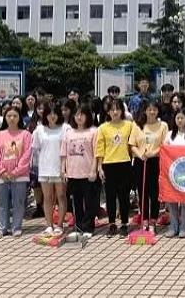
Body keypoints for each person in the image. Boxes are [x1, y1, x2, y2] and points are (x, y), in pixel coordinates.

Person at [96, 97, 136, 238]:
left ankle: (124, 224)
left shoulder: (129, 125)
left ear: (122, 111)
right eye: (112, 109)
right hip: (108, 165)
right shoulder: (103, 128)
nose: (115, 112)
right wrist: (99, 167)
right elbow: (100, 148)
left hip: (125, 163)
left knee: (124, 196)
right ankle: (112, 224)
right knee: (110, 196)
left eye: (117, 109)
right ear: (108, 111)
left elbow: (135, 141)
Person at [0, 108, 33, 238]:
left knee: (18, 202)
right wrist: (2, 171)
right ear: (5, 118)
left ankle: (17, 227)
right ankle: (2, 228)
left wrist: (15, 172)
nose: (12, 118)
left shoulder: (25, 134)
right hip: (1, 176)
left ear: (19, 117)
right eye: (9, 116)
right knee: (1, 202)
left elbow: (27, 155)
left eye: (15, 115)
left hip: (20, 175)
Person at [62, 101, 98, 239]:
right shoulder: (69, 132)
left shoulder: (93, 131)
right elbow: (64, 153)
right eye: (77, 114)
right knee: (76, 202)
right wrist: (63, 170)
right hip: (73, 173)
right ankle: (78, 226)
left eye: (82, 114)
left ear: (88, 116)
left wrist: (94, 170)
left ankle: (88, 227)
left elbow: (96, 153)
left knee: (90, 201)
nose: (79, 117)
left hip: (88, 172)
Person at [130, 99, 167, 234]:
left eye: (154, 109)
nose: (152, 112)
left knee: (154, 192)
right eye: (149, 109)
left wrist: (153, 153)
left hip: (155, 161)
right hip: (141, 161)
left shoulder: (162, 125)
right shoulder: (137, 125)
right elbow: (132, 145)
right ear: (144, 111)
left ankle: (153, 221)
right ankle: (144, 219)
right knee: (142, 192)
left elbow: (164, 145)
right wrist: (140, 154)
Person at [33, 100, 68, 236]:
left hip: (61, 168)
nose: (52, 116)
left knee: (61, 196)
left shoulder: (65, 128)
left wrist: (65, 167)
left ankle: (60, 224)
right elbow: (35, 149)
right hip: (45, 168)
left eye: (55, 113)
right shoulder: (39, 130)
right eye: (49, 113)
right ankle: (49, 225)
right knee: (47, 198)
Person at [165, 110, 185, 237]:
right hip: (172, 171)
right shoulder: (170, 134)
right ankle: (173, 226)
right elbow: (165, 150)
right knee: (171, 199)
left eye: (182, 118)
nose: (180, 120)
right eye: (178, 118)